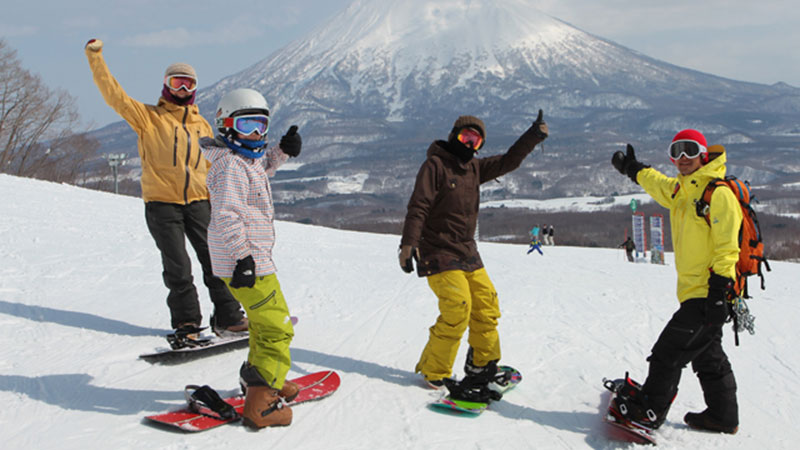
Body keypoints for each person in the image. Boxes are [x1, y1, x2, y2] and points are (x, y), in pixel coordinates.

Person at [84, 39, 245, 335]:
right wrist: (96, 58)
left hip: (199, 203)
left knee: (215, 262)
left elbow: (214, 169)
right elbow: (114, 96)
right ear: (166, 85)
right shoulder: (148, 118)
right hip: (162, 204)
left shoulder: (203, 126)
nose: (182, 89)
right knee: (178, 268)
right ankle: (187, 322)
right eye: (177, 82)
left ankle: (228, 316)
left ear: (194, 88)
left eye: (188, 83)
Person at [399, 111, 548, 398]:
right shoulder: (435, 166)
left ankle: (483, 365)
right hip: (438, 251)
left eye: (475, 140)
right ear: (454, 134)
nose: (469, 144)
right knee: (458, 306)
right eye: (465, 137)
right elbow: (418, 206)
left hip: (467, 252)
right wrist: (408, 244)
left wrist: (533, 136)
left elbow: (509, 161)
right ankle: (435, 370)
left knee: (487, 307)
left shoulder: (474, 169)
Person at [610, 129, 741, 434]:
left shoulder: (717, 193)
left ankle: (648, 412)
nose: (682, 158)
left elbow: (728, 248)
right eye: (677, 151)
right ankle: (723, 416)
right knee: (707, 355)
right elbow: (657, 183)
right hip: (696, 292)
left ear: (703, 154)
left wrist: (720, 293)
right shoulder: (682, 190)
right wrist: (633, 168)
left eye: (689, 150)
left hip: (709, 293)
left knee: (668, 353)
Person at [201, 88, 302, 429]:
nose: (256, 134)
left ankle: (260, 376)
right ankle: (262, 403)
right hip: (246, 262)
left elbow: (261, 168)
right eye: (247, 126)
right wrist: (242, 258)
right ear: (226, 126)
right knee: (278, 328)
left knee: (263, 322)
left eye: (261, 126)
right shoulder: (229, 166)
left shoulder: (244, 160)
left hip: (252, 260)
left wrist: (281, 153)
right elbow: (226, 215)